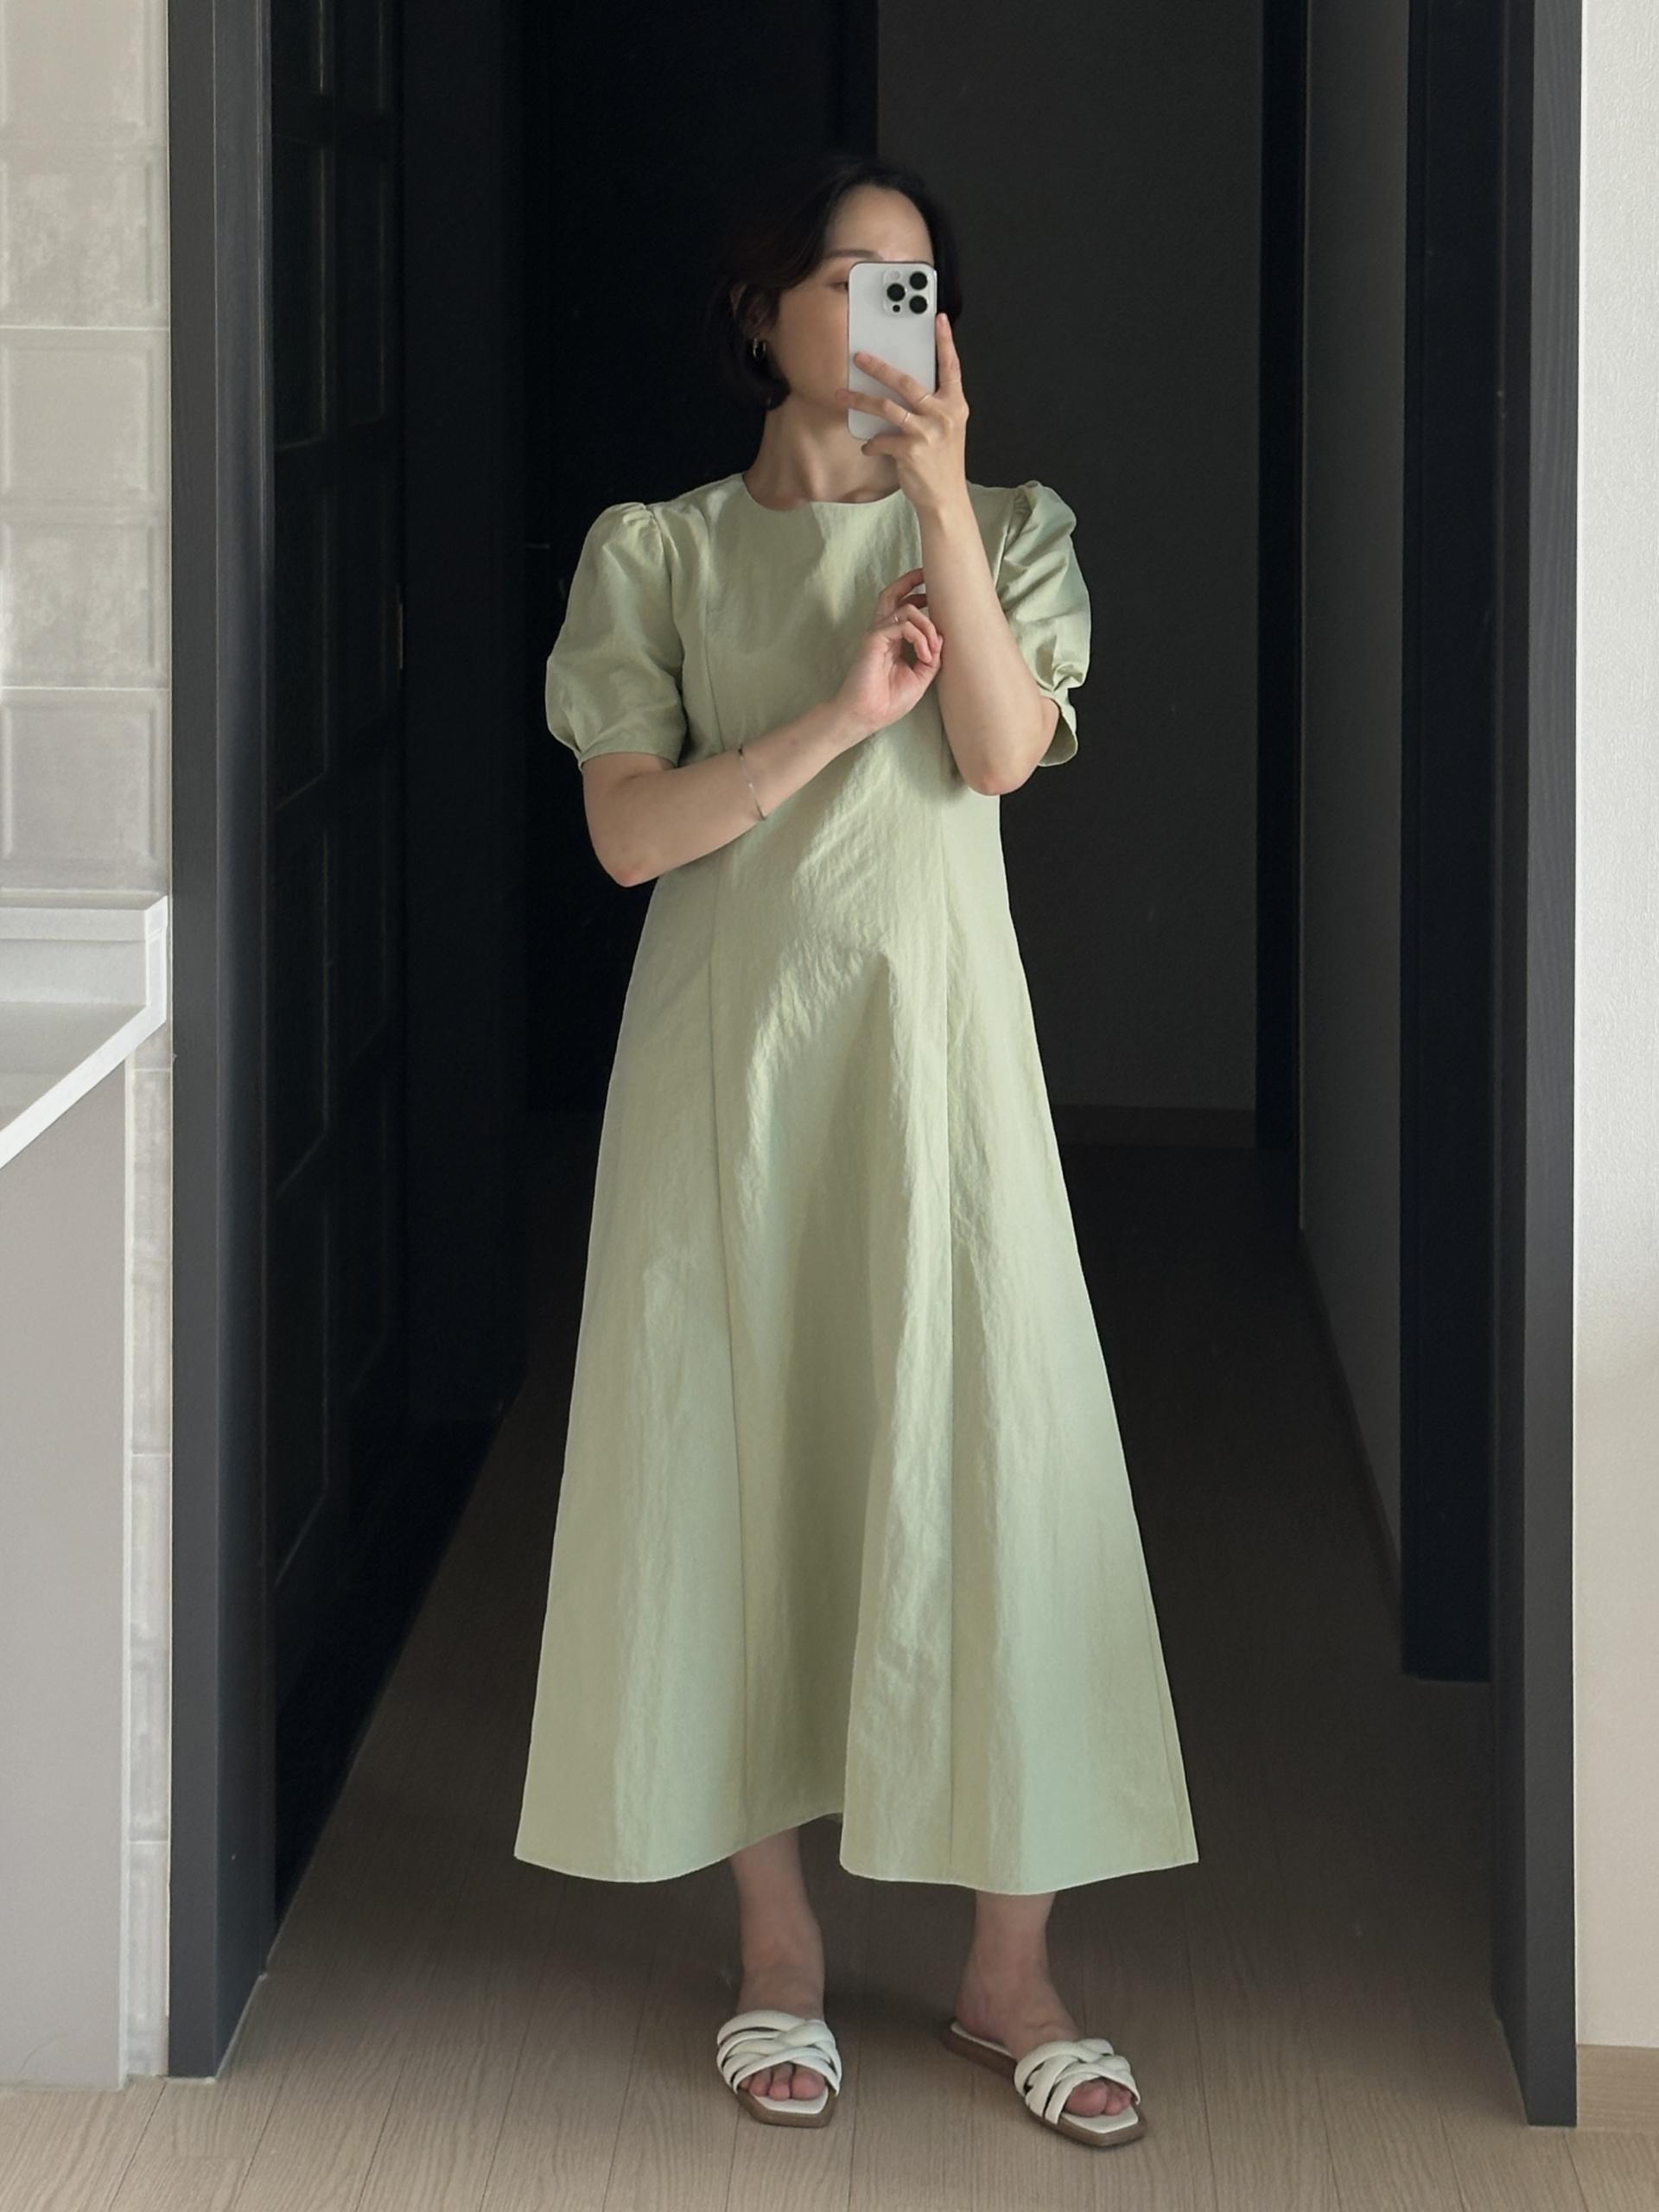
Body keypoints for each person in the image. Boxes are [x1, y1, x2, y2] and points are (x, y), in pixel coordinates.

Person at [514, 149, 1198, 2151]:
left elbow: (996, 751)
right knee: (736, 1465)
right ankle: (777, 1947)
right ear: (764, 313)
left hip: (941, 1071)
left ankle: (1012, 1975)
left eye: (922, 284)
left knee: (993, 1451)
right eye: (854, 276)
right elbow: (628, 836)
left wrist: (943, 516)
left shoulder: (1013, 528)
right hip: (726, 1075)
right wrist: (828, 714)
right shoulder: (654, 551)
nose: (896, 314)